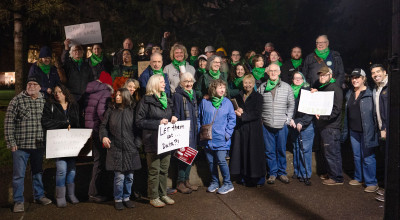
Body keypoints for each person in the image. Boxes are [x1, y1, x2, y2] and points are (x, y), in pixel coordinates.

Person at [5, 77, 52, 213]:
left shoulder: (44, 100)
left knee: (37, 172)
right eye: (29, 83)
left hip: (38, 145)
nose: (31, 86)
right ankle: (19, 201)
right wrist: (11, 142)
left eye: (34, 84)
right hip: (21, 146)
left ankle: (39, 196)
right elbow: (9, 122)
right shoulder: (17, 100)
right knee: (19, 175)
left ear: (39, 87)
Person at [136, 74, 178, 208]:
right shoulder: (145, 101)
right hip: (152, 141)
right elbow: (139, 121)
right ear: (154, 84)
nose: (164, 84)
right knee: (154, 170)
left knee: (164, 169)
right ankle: (153, 196)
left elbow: (170, 115)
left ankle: (163, 194)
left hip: (166, 141)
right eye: (161, 82)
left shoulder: (167, 99)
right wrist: (158, 123)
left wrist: (173, 118)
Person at [100, 88, 142, 210]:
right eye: (116, 95)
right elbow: (103, 126)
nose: (117, 97)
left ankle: (126, 198)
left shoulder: (133, 110)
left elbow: (138, 129)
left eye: (120, 95)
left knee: (129, 177)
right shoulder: (111, 110)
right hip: (116, 148)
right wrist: (104, 137)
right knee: (119, 177)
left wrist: (136, 144)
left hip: (130, 148)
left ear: (125, 96)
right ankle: (118, 198)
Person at [42, 83, 80, 207]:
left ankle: (71, 194)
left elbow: (78, 121)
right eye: (55, 92)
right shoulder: (50, 105)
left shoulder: (73, 105)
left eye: (59, 91)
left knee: (72, 169)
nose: (57, 94)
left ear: (65, 92)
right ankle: (60, 196)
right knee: (62, 170)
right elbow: (46, 122)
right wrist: (63, 124)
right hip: (58, 142)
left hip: (72, 141)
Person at [342, 68, 379, 192]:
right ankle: (359, 178)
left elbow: (376, 114)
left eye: (358, 77)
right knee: (357, 156)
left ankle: (371, 182)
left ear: (364, 79)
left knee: (368, 157)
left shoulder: (370, 94)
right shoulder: (349, 93)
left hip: (367, 131)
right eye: (353, 77)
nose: (355, 80)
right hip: (353, 131)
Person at [258, 63, 295, 184]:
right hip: (267, 124)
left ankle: (282, 173)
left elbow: (291, 105)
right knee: (269, 151)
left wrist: (288, 120)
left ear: (279, 72)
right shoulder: (262, 87)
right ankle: (272, 173)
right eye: (271, 71)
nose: (273, 73)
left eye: (275, 71)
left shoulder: (287, 87)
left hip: (281, 125)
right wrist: (261, 120)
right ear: (267, 73)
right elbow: (258, 105)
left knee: (281, 149)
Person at [198, 79, 236, 194]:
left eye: (223, 88)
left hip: (221, 138)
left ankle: (228, 183)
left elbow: (232, 119)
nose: (222, 90)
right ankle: (215, 182)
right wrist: (200, 130)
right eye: (220, 87)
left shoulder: (227, 102)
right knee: (210, 161)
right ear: (213, 89)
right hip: (207, 138)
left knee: (221, 160)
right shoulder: (205, 102)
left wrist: (227, 134)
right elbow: (199, 117)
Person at [230, 75, 266, 186]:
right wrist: (237, 112)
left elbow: (257, 113)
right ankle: (244, 176)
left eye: (250, 83)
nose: (248, 85)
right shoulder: (238, 96)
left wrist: (243, 114)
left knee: (254, 154)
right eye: (245, 83)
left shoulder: (258, 97)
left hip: (254, 129)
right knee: (243, 153)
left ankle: (256, 178)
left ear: (254, 84)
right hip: (242, 129)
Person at [85, 71, 113, 203]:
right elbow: (102, 112)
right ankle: (94, 193)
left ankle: (95, 192)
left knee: (98, 161)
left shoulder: (91, 91)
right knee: (100, 162)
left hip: (90, 128)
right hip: (98, 130)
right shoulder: (106, 92)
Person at [313, 66, 344, 185]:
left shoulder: (335, 88)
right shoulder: (324, 88)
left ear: (331, 76)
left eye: (324, 75)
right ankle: (332, 173)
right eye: (320, 75)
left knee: (332, 152)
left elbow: (336, 110)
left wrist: (323, 117)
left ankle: (336, 178)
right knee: (328, 152)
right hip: (325, 126)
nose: (322, 77)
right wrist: (316, 92)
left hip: (331, 127)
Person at [172, 73, 199, 194]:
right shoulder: (177, 95)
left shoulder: (193, 94)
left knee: (191, 155)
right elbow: (176, 112)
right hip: (183, 130)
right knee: (183, 157)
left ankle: (187, 180)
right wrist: (174, 118)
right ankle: (180, 182)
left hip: (193, 129)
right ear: (181, 83)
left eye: (190, 81)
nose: (189, 83)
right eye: (186, 81)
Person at [289, 72, 314, 182]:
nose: (297, 80)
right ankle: (298, 171)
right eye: (295, 78)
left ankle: (305, 173)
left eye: (300, 78)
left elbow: (310, 110)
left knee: (305, 149)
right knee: (296, 148)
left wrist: (302, 122)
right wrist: (291, 120)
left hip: (305, 124)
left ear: (303, 79)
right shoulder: (290, 91)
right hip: (294, 124)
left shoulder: (307, 90)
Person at [370, 64, 388, 202]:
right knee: (387, 160)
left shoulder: (390, 87)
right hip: (381, 130)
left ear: (385, 72)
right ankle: (387, 188)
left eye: (378, 72)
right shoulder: (377, 88)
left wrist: (386, 128)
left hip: (389, 130)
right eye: (373, 73)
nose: (375, 74)